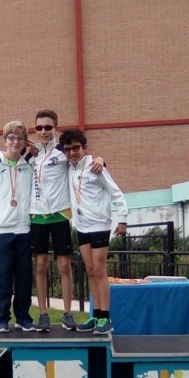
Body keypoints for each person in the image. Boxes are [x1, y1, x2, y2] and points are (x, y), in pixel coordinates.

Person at [30, 109, 103, 332]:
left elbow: (83, 157)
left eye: (48, 127)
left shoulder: (63, 150)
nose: (43, 131)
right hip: (36, 215)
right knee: (40, 265)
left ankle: (67, 313)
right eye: (39, 127)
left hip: (60, 214)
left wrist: (100, 159)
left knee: (64, 264)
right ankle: (43, 314)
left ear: (55, 129)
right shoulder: (30, 153)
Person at [59, 128, 128, 335]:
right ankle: (95, 315)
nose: (72, 153)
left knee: (99, 270)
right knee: (89, 270)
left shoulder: (95, 166)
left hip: (99, 224)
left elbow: (115, 192)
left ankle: (106, 318)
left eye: (76, 148)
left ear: (84, 148)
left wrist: (123, 218)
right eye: (68, 149)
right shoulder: (68, 168)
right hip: (81, 226)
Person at [0, 120, 35, 333]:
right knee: (3, 276)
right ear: (5, 140)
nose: (15, 142)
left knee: (23, 276)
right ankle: (2, 318)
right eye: (11, 138)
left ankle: (23, 317)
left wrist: (34, 151)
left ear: (25, 142)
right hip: (2, 229)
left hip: (23, 229)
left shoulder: (28, 165)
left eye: (20, 138)